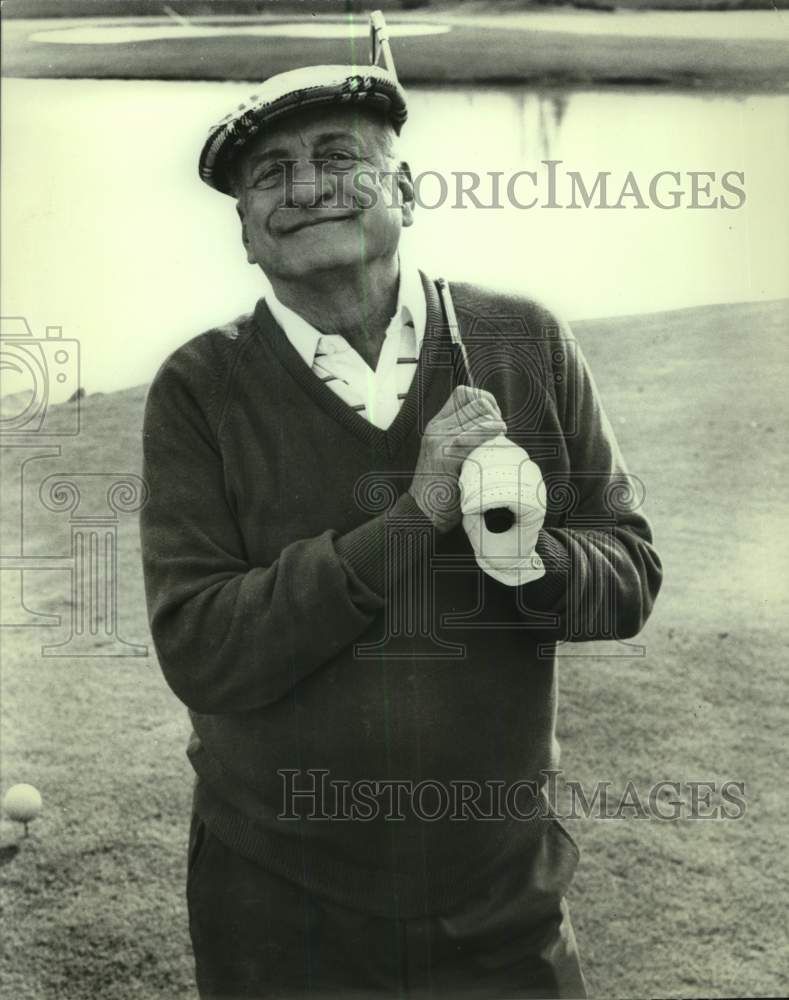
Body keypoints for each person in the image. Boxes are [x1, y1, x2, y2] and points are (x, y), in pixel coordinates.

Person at [140, 60, 662, 1000]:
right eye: (268, 176)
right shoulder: (198, 387)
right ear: (247, 235)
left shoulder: (522, 339)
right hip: (277, 901)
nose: (303, 189)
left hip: (501, 888)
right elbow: (203, 647)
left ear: (408, 189)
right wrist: (415, 516)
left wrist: (527, 556)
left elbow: (628, 572)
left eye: (338, 157)